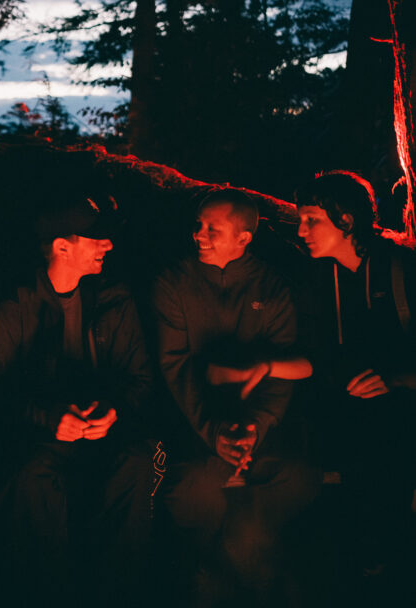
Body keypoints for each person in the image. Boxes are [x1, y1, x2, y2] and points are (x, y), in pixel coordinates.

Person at [0, 194, 155, 606]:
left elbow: (140, 380)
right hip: (37, 436)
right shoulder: (13, 307)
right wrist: (47, 418)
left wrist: (115, 412)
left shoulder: (113, 299)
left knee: (139, 463)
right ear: (61, 247)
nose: (107, 246)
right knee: (32, 476)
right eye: (95, 239)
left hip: (101, 435)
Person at [153, 188, 316, 601]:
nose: (198, 235)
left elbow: (284, 371)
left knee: (293, 481)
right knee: (194, 492)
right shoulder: (174, 283)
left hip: (258, 434)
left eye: (213, 229)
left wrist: (256, 429)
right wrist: (213, 434)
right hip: (199, 433)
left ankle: (255, 572)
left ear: (244, 238)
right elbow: (176, 367)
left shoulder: (272, 287)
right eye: (198, 225)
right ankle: (206, 574)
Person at [295, 170, 416, 575]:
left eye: (312, 219)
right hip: (341, 430)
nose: (302, 230)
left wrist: (395, 379)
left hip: (397, 430)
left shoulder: (401, 269)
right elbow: (315, 356)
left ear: (346, 220)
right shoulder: (315, 277)